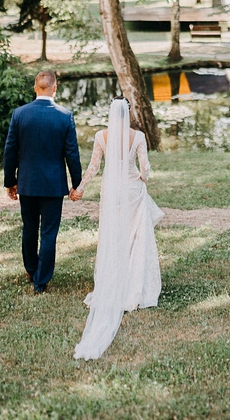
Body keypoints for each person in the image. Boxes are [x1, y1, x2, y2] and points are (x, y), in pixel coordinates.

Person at [72, 97, 163, 359]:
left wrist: (79, 189)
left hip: (111, 193)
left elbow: (93, 168)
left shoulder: (101, 136)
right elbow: (145, 169)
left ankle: (113, 284)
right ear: (129, 113)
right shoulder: (138, 137)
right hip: (132, 190)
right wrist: (142, 177)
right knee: (135, 238)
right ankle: (136, 288)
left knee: (114, 238)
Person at [2, 70, 81, 295]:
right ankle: (41, 281)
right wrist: (77, 182)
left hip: (27, 184)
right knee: (48, 233)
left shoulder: (19, 114)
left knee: (29, 228)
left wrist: (11, 181)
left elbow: (10, 151)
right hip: (53, 186)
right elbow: (72, 154)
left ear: (35, 88)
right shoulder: (64, 116)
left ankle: (31, 269)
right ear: (54, 88)